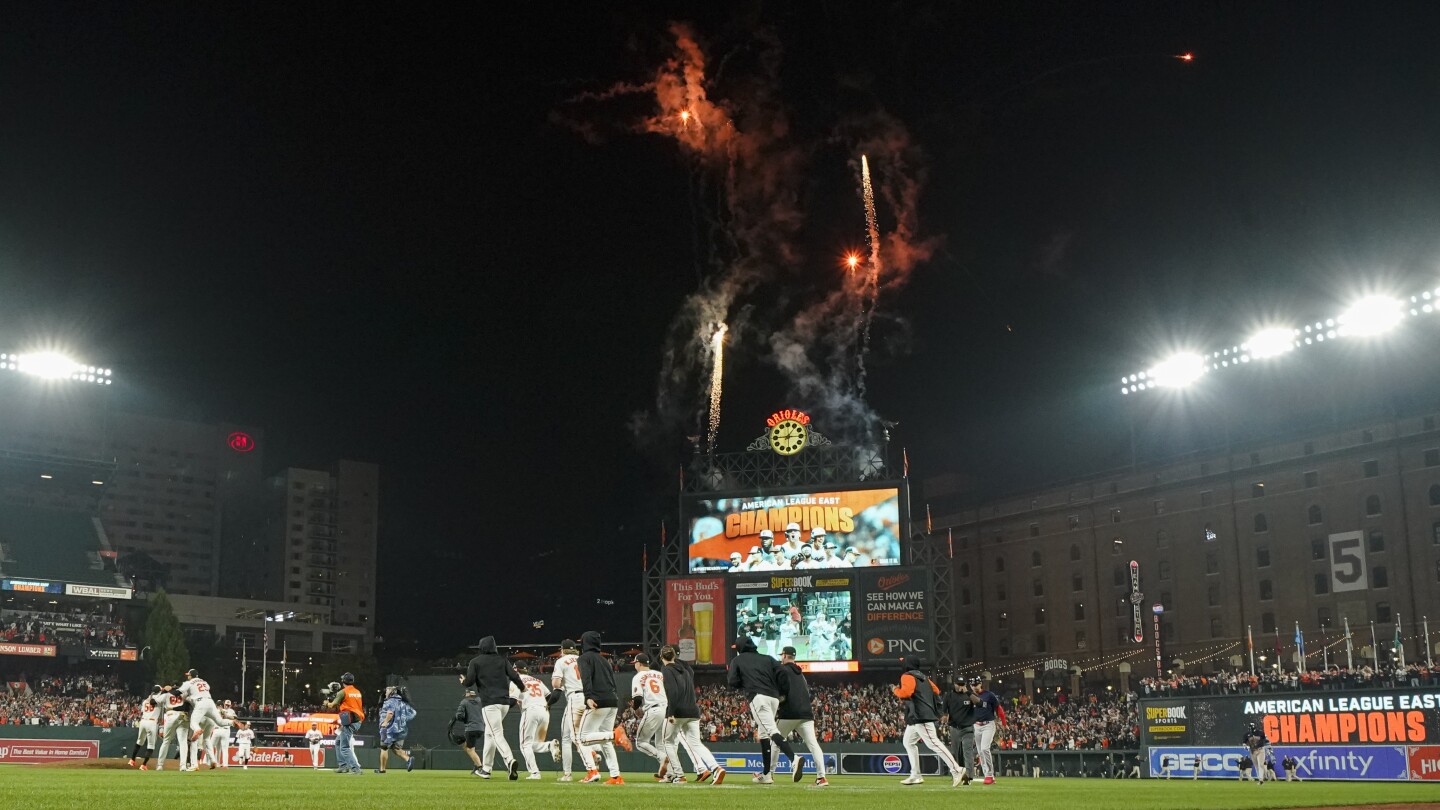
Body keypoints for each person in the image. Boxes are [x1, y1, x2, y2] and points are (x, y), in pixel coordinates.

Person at [726, 635, 797, 784]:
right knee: (764, 734)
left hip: (758, 698)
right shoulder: (768, 658)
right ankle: (766, 774)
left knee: (771, 731)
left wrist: (745, 684)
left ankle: (794, 758)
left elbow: (732, 681)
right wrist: (783, 692)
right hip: (774, 698)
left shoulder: (737, 660)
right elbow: (783, 672)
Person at [459, 635, 525, 780]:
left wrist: (463, 682)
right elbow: (514, 676)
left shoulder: (475, 662)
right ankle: (486, 769)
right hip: (505, 703)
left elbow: (469, 682)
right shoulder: (502, 660)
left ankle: (509, 760)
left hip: (490, 703)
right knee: (490, 734)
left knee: (496, 734)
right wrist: (523, 688)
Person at [893, 657, 965, 787]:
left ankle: (957, 770)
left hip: (921, 716)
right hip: (918, 717)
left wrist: (895, 690)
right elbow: (936, 690)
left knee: (934, 743)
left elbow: (905, 693)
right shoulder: (924, 677)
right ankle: (915, 775)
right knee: (908, 742)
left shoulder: (907, 676)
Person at [659, 645, 724, 785]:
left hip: (678, 712)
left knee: (667, 742)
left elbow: (673, 692)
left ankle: (679, 775)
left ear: (661, 657)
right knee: (696, 744)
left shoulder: (666, 669)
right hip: (693, 711)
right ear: (674, 656)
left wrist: (670, 713)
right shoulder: (686, 670)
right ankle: (716, 768)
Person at [776, 646, 829, 787]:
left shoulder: (782, 670)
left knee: (775, 740)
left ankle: (768, 774)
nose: (781, 658)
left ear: (785, 656)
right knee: (813, 745)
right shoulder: (801, 674)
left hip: (789, 713)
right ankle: (821, 777)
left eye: (782, 655)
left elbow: (781, 693)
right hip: (806, 713)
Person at [576, 629, 624, 784]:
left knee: (582, 738)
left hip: (598, 700)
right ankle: (616, 776)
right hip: (612, 700)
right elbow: (612, 681)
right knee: (605, 742)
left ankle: (614, 735)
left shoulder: (584, 658)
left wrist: (588, 696)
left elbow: (586, 677)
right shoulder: (604, 660)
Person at [630, 654, 671, 780]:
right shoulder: (659, 674)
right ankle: (670, 774)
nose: (634, 665)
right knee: (660, 744)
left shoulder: (638, 676)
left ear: (639, 663)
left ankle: (661, 757)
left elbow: (637, 698)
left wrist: (636, 709)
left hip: (653, 710)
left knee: (641, 742)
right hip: (666, 709)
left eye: (635, 663)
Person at [512, 665, 555, 779]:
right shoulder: (537, 680)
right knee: (532, 745)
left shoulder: (516, 680)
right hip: (544, 711)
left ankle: (535, 773)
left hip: (530, 710)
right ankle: (549, 746)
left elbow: (512, 700)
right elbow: (550, 695)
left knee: (524, 745)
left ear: (515, 670)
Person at [551, 639, 583, 781]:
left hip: (574, 698)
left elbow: (556, 684)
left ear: (562, 649)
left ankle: (568, 774)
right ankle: (595, 755)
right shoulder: (583, 659)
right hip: (589, 698)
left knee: (567, 738)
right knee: (585, 735)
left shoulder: (562, 660)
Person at [324, 672, 364, 775]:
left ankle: (356, 769)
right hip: (358, 719)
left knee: (344, 747)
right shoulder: (357, 691)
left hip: (350, 721)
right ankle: (343, 766)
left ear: (343, 681)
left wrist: (326, 703)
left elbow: (333, 705)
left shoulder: (343, 692)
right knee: (338, 742)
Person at [968, 675, 1005, 784]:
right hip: (976, 725)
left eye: (976, 684)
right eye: (972, 685)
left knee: (984, 749)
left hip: (988, 724)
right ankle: (988, 776)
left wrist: (1003, 722)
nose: (974, 687)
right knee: (980, 752)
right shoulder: (970, 696)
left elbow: (998, 708)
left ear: (980, 684)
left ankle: (989, 774)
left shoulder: (989, 695)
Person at [941, 676, 976, 786]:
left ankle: (969, 777)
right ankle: (957, 774)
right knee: (956, 753)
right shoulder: (949, 696)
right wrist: (945, 717)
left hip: (968, 727)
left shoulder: (969, 695)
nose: (960, 686)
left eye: (962, 684)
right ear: (954, 684)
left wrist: (969, 693)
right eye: (959, 684)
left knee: (967, 752)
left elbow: (980, 703)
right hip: (954, 727)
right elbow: (944, 711)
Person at [377, 685, 417, 773]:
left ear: (391, 693)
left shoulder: (389, 701)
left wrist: (385, 723)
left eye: (387, 691)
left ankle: (382, 769)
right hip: (402, 730)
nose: (385, 693)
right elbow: (413, 713)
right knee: (396, 749)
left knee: (384, 748)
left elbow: (390, 713)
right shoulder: (403, 703)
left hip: (389, 729)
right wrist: (403, 720)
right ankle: (408, 759)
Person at [154, 685, 192, 771]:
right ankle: (183, 765)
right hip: (183, 716)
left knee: (166, 741)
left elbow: (154, 702)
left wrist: (163, 691)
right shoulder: (184, 694)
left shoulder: (167, 694)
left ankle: (160, 765)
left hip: (171, 715)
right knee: (183, 742)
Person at [455, 688, 490, 776]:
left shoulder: (464, 702)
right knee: (469, 747)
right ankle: (476, 766)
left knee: (469, 749)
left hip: (471, 729)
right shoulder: (480, 701)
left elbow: (459, 715)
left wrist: (463, 719)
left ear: (467, 694)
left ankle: (480, 768)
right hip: (481, 728)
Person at [128, 685, 162, 769]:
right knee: (151, 745)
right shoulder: (159, 699)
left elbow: (144, 710)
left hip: (143, 721)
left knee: (139, 741)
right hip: (151, 722)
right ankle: (144, 765)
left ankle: (132, 760)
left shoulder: (145, 700)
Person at [209, 699, 237, 769]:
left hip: (225, 730)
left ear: (230, 705)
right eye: (226, 704)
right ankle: (213, 763)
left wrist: (226, 715)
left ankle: (225, 765)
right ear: (223, 704)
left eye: (228, 705)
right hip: (217, 729)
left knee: (223, 749)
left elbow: (235, 718)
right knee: (213, 748)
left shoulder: (231, 711)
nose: (227, 706)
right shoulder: (217, 710)